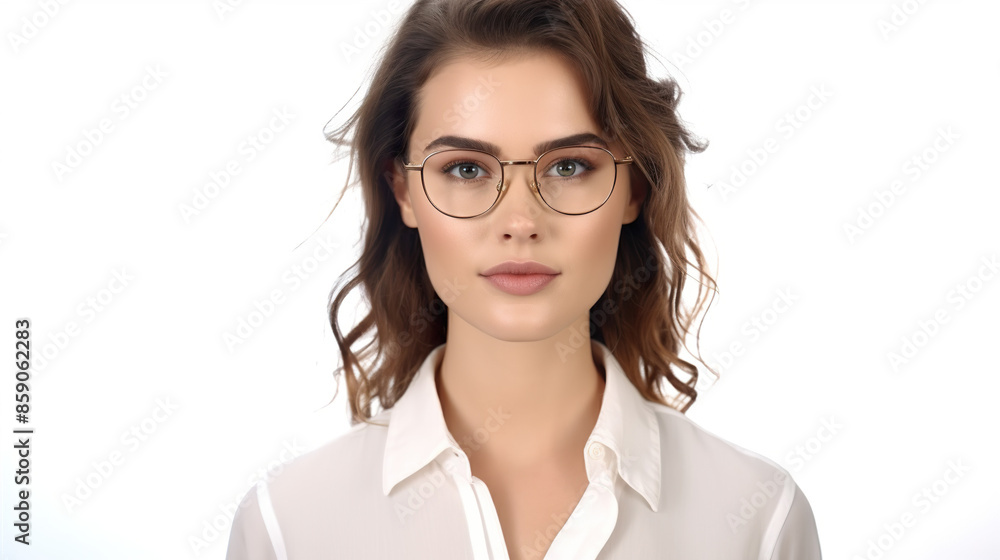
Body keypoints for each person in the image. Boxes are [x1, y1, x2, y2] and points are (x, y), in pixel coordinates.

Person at [225, 0, 822, 558]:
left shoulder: (758, 522)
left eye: (568, 166)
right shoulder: (289, 528)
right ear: (403, 190)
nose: (519, 222)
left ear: (633, 189)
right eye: (465, 168)